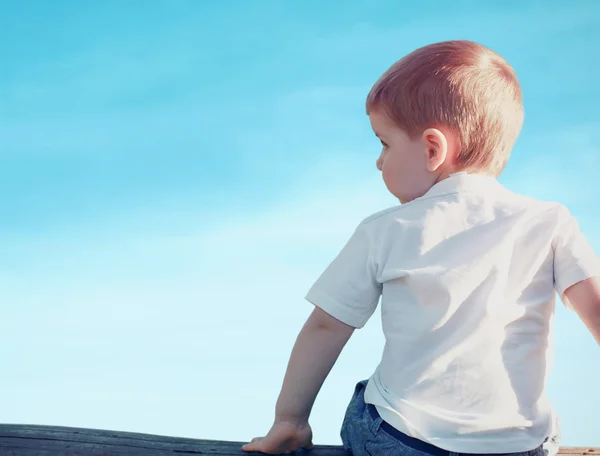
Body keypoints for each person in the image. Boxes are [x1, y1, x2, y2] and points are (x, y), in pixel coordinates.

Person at [241, 40, 600, 456]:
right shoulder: (550, 220)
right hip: (518, 446)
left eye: (384, 143)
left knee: (372, 402)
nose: (379, 162)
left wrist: (290, 420)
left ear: (432, 149)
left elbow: (326, 326)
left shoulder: (385, 229)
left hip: (404, 439)